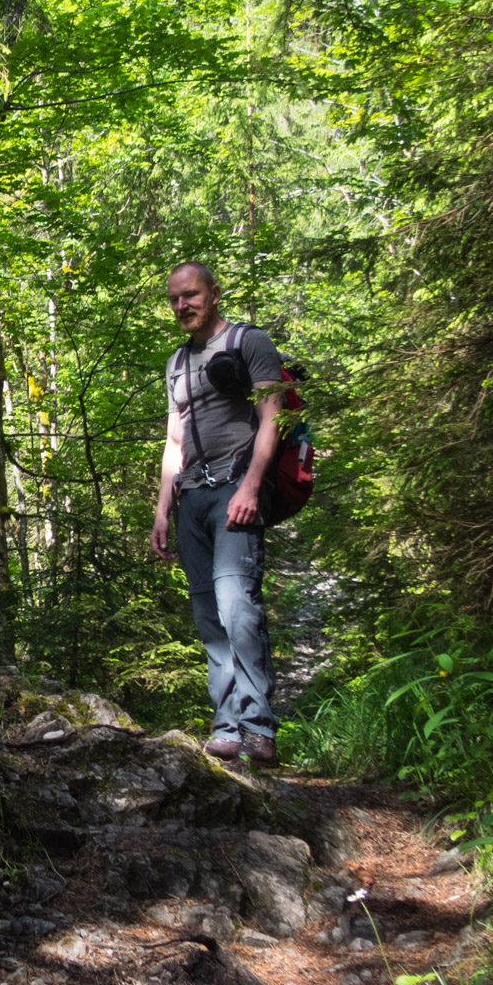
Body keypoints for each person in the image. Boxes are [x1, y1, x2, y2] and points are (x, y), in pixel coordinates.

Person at [148, 261, 287, 767]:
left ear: (214, 293)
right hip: (192, 499)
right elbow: (173, 440)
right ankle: (226, 724)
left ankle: (257, 726)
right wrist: (163, 511)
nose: (183, 306)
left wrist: (252, 487)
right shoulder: (175, 363)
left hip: (236, 489)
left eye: (192, 295)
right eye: (175, 300)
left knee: (237, 606)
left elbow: (274, 417)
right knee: (208, 615)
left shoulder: (249, 342)